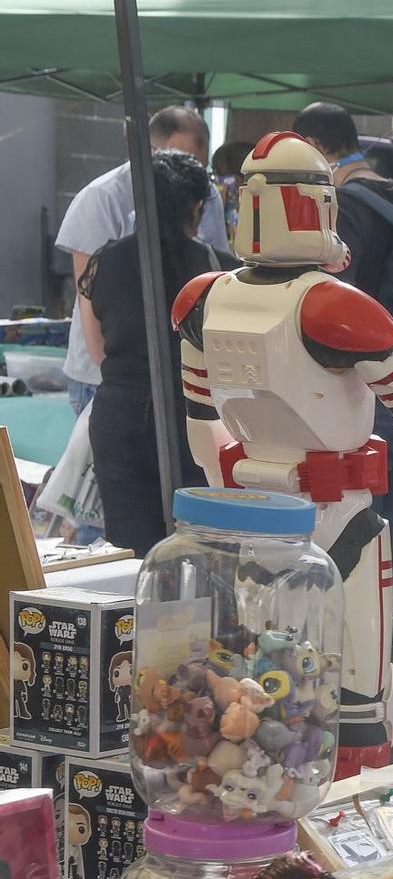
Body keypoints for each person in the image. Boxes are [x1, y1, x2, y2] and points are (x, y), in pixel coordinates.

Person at [290, 101, 393, 622]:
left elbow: (330, 302)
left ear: (319, 150)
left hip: (364, 395)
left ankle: (357, 654)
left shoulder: (347, 207)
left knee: (351, 531)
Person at [78, 152, 231, 557]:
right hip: (200, 419)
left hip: (120, 418)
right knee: (204, 550)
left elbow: (97, 351)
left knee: (132, 555)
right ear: (198, 207)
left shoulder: (102, 262)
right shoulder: (223, 272)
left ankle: (134, 621)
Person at [56, 106, 227, 418]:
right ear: (148, 150)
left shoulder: (203, 193)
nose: (186, 172)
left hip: (179, 374)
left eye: (198, 165)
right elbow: (89, 300)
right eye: (178, 158)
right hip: (106, 375)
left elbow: (215, 276)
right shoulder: (102, 198)